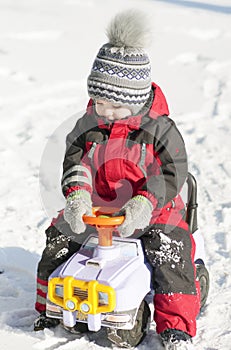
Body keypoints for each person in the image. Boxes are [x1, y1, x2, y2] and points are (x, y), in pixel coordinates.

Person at [34, 10, 201, 349]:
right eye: (98, 101)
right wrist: (78, 195)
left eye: (113, 105)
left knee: (170, 254)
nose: (104, 111)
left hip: (154, 210)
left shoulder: (161, 131)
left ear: (135, 98)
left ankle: (176, 327)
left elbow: (172, 171)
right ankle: (51, 306)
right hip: (100, 209)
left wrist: (144, 202)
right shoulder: (88, 126)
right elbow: (74, 161)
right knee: (59, 240)